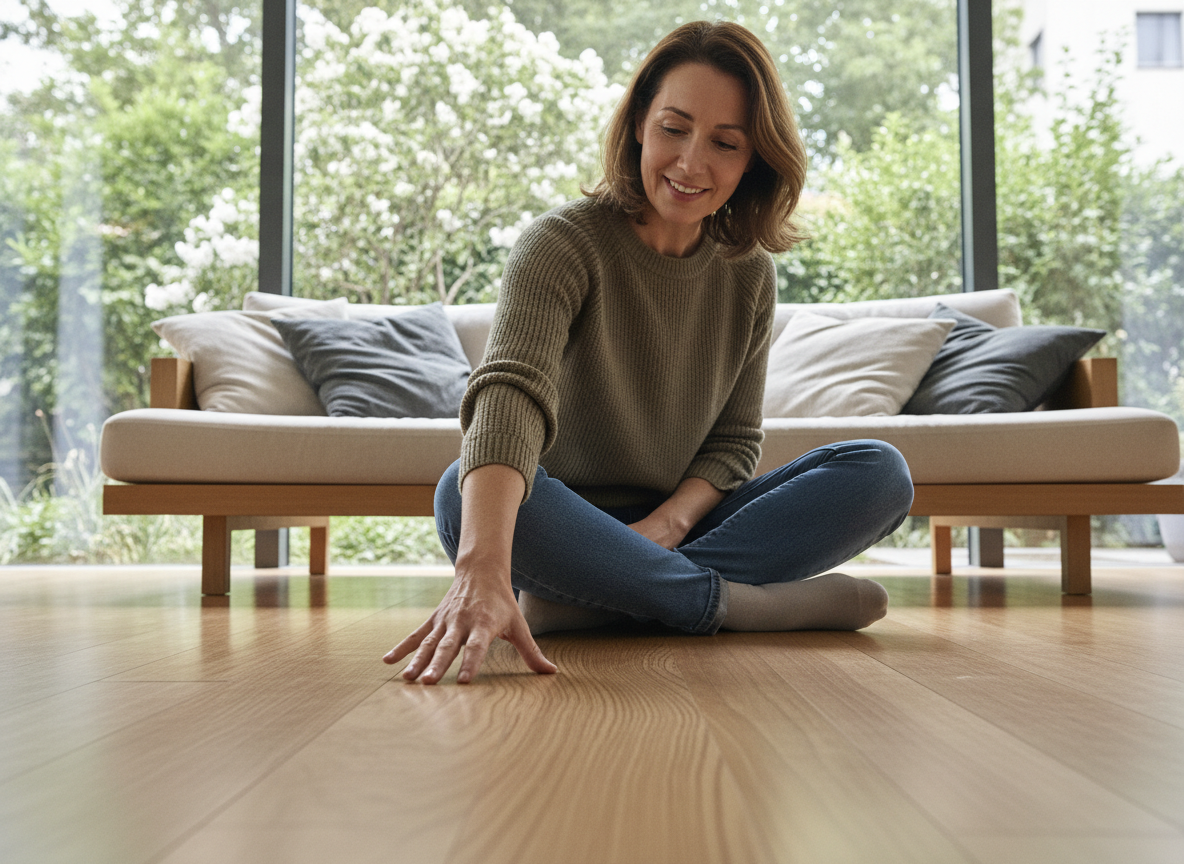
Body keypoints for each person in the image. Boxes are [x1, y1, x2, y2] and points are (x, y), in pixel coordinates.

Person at [384, 20, 914, 685]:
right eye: (673, 128)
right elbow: (508, 397)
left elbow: (734, 441)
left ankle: (592, 603)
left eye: (725, 143)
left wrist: (664, 526)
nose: (692, 164)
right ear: (637, 123)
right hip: (560, 522)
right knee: (460, 494)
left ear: (753, 159)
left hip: (681, 525)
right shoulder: (561, 244)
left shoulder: (747, 271)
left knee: (878, 473)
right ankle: (732, 606)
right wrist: (480, 568)